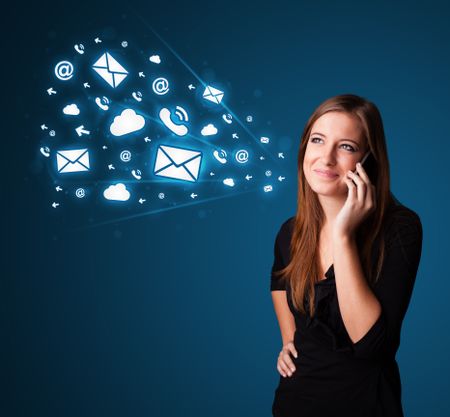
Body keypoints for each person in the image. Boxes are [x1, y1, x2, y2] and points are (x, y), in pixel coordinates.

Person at [270, 94, 423, 417]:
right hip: (294, 404)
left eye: (346, 147)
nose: (325, 158)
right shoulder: (290, 232)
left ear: (368, 160)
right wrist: (288, 340)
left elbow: (370, 346)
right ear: (303, 149)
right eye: (317, 140)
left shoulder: (400, 228)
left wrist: (343, 236)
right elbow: (279, 281)